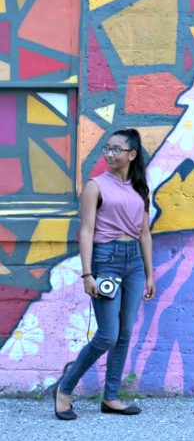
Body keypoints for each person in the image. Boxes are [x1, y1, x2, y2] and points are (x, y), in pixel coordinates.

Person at [53, 129, 155, 420]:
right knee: (108, 334)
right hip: (105, 260)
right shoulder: (95, 186)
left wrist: (149, 274)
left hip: (133, 261)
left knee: (124, 333)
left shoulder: (140, 187)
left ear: (131, 155)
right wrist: (87, 274)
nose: (109, 154)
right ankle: (64, 389)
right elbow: (86, 231)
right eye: (107, 149)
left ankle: (111, 397)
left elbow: (144, 233)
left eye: (116, 149)